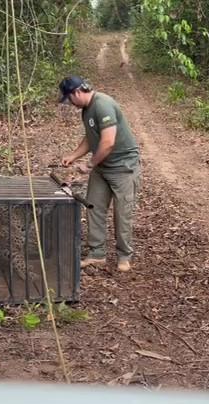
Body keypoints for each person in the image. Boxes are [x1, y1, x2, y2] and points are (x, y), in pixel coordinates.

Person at [59, 76, 141, 272]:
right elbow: (91, 137)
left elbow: (108, 142)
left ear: (77, 93)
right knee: (93, 206)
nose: (70, 104)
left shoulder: (103, 105)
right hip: (103, 166)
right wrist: (73, 155)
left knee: (122, 213)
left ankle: (124, 256)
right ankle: (97, 253)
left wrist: (89, 165)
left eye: (69, 99)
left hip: (123, 167)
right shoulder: (86, 109)